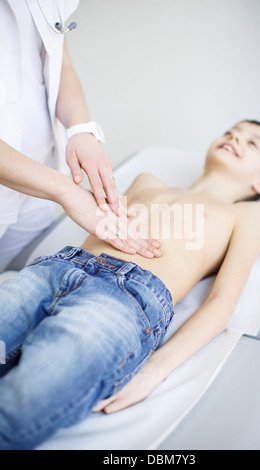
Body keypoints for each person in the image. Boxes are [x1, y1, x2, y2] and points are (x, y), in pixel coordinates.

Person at [0, 120, 260, 449]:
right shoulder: (147, 181)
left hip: (127, 299)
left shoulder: (249, 215)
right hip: (57, 267)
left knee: (31, 394)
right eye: (232, 132)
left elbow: (223, 302)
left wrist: (156, 370)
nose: (236, 138)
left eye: (253, 143)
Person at [0, 0, 157, 273]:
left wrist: (81, 129)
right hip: (45, 184)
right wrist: (65, 191)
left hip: (39, 181)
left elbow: (60, 64)